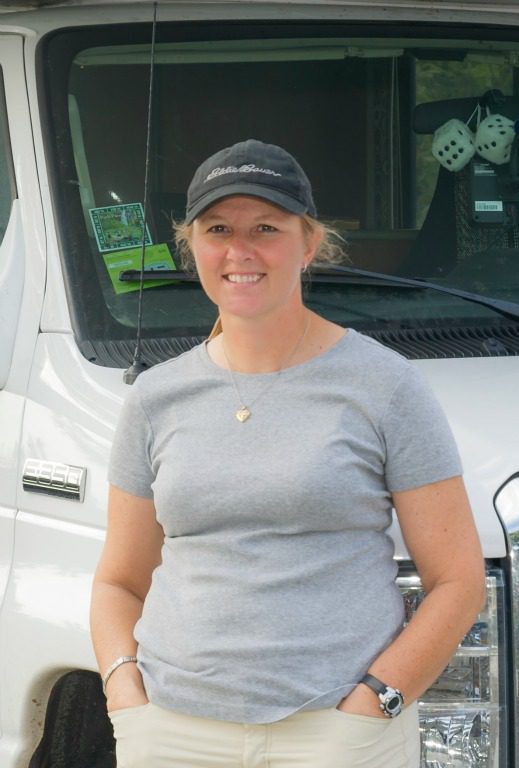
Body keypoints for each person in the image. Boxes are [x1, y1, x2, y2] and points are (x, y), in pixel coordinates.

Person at [90, 139, 485, 767]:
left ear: (309, 243)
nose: (240, 251)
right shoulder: (156, 396)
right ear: (190, 245)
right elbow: (119, 579)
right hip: (172, 731)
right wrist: (123, 693)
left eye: (266, 228)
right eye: (218, 228)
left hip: (338, 730)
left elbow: (459, 581)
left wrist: (379, 701)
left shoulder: (386, 384)